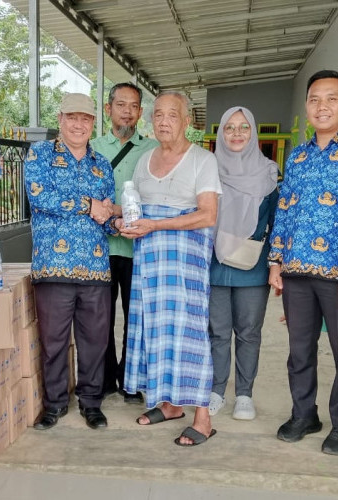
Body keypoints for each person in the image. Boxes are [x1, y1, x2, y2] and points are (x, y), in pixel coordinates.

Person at [268, 70, 338, 456]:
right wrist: (276, 261)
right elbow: (284, 210)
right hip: (297, 271)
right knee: (299, 349)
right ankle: (303, 414)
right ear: (306, 106)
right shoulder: (297, 154)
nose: (323, 106)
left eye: (332, 98)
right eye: (315, 99)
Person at [122, 91, 221, 447]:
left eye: (172, 115)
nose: (164, 121)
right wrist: (127, 223)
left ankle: (203, 417)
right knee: (155, 330)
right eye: (158, 115)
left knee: (190, 333)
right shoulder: (144, 159)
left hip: (185, 264)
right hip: (149, 260)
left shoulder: (202, 160)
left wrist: (155, 225)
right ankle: (170, 404)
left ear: (186, 121)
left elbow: (208, 215)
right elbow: (135, 209)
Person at [25, 93, 117, 431]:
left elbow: (105, 214)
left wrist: (120, 223)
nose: (79, 124)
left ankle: (91, 403)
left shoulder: (102, 164)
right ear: (60, 119)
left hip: (95, 267)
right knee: (54, 342)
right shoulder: (40, 154)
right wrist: (88, 204)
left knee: (95, 341)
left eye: (86, 119)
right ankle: (55, 404)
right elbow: (40, 195)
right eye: (72, 117)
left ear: (94, 123)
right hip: (53, 266)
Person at [208, 106, 279, 420]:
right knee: (217, 332)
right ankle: (216, 389)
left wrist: (277, 264)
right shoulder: (207, 169)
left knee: (249, 331)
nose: (236, 134)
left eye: (243, 128)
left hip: (253, 265)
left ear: (253, 133)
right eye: (229, 128)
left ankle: (245, 395)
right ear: (221, 133)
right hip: (213, 262)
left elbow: (277, 222)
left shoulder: (268, 173)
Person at [91, 82, 157, 403]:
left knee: (136, 317)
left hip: (136, 248)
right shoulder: (92, 147)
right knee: (101, 317)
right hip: (100, 249)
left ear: (140, 112)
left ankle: (131, 379)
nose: (127, 112)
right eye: (121, 105)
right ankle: (103, 379)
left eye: (133, 106)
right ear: (108, 109)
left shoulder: (152, 149)